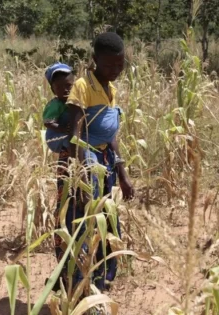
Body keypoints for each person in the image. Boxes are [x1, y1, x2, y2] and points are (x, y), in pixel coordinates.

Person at [53, 32, 135, 295]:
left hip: (105, 163)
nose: (115, 70)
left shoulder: (110, 89)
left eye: (120, 64)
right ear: (95, 60)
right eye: (110, 64)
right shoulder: (82, 87)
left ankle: (99, 281)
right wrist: (84, 170)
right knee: (79, 223)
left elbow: (109, 135)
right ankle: (76, 285)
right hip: (83, 164)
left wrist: (122, 173)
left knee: (104, 220)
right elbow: (75, 133)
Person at [43, 62, 75, 153]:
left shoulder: (75, 102)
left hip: (68, 134)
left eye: (68, 86)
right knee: (71, 144)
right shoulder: (55, 105)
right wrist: (63, 129)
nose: (65, 90)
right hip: (56, 137)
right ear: (53, 90)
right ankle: (68, 161)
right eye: (59, 87)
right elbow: (48, 123)